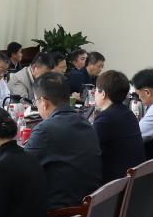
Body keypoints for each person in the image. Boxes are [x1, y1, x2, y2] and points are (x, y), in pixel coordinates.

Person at [24, 73, 103, 209]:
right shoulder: (86, 123)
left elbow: (21, 169)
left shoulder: (44, 130)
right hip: (89, 208)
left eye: (35, 101)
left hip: (60, 214)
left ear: (44, 102)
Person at [90, 69, 146, 179]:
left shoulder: (106, 119)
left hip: (114, 183)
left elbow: (85, 147)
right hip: (132, 179)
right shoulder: (128, 113)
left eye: (96, 90)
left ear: (103, 94)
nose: (94, 93)